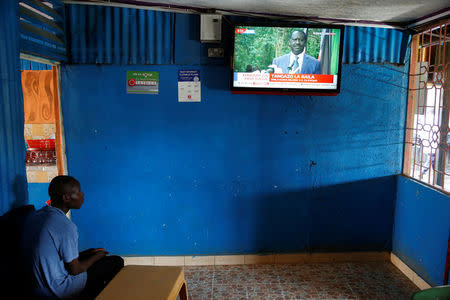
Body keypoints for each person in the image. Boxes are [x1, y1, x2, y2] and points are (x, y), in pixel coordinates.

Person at [20, 175, 124, 299]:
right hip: (58, 291)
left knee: (95, 259)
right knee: (115, 262)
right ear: (66, 198)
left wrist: (86, 254)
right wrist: (96, 257)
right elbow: (74, 270)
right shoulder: (65, 226)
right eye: (79, 192)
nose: (83, 195)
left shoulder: (35, 216)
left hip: (37, 288)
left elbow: (56, 257)